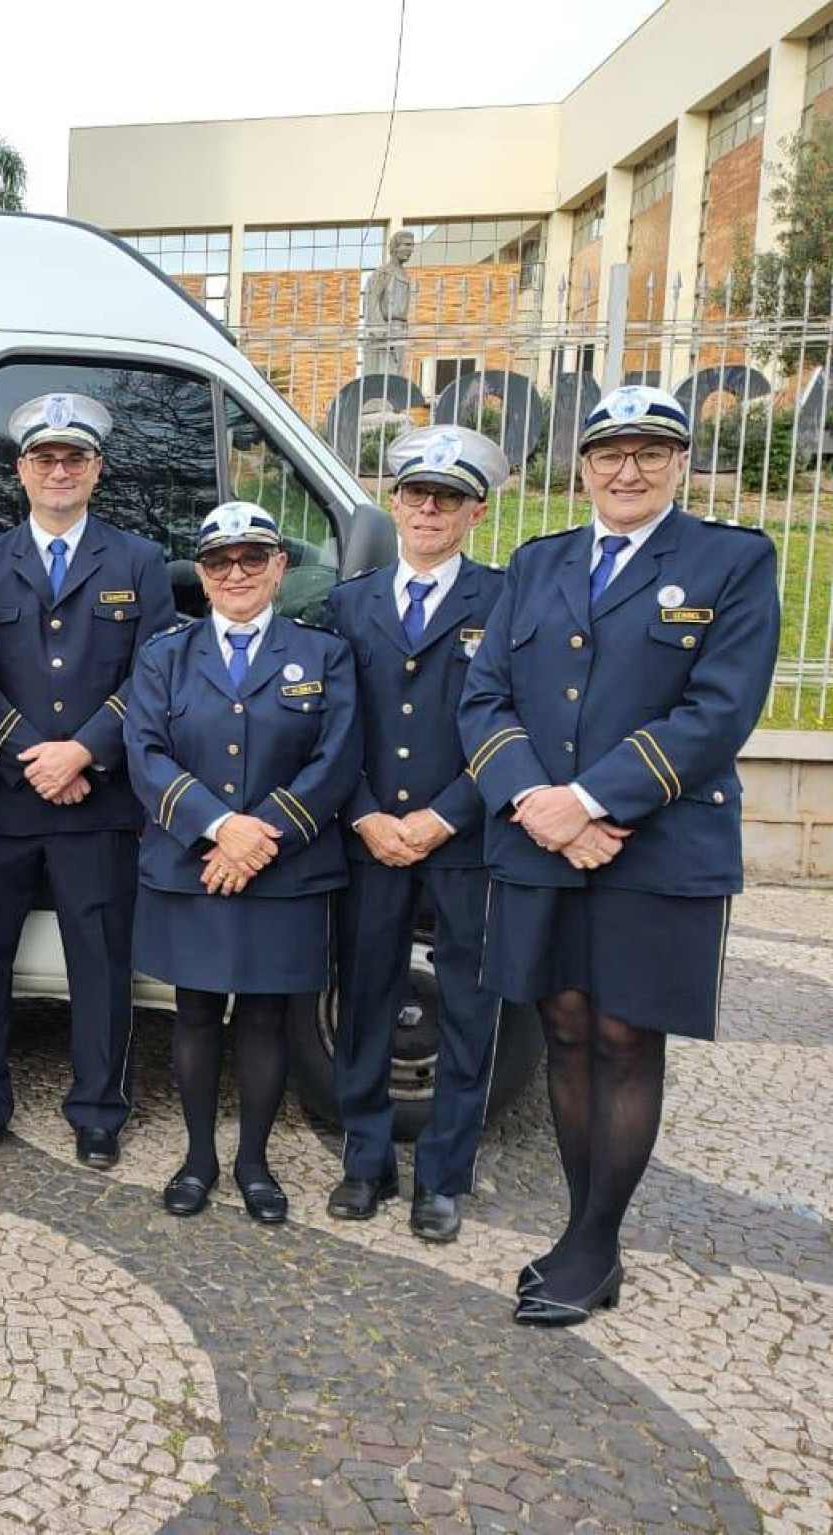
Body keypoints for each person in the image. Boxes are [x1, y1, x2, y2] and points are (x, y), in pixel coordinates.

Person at [459, 385, 779, 1326]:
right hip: (542, 835)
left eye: (649, 452)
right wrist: (535, 802)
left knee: (625, 1035)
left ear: (679, 462)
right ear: (584, 465)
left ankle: (596, 1240)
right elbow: (484, 698)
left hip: (658, 842)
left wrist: (590, 801)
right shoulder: (539, 560)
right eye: (609, 454)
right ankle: (576, 1223)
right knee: (561, 1026)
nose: (627, 471)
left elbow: (719, 711)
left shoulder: (730, 560)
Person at [0, 392, 177, 1170]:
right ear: (19, 472)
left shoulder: (139, 561)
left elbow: (152, 675)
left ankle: (97, 1109)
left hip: (97, 799)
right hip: (6, 799)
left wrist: (81, 751)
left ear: (96, 470)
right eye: (43, 458)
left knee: (100, 965)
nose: (58, 470)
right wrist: (31, 755)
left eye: (72, 458)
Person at [126, 502, 360, 1223]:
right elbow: (145, 751)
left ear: (279, 567)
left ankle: (253, 1160)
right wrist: (221, 829)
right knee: (194, 1013)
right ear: (199, 573)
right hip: (192, 862)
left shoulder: (323, 653)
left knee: (264, 1018)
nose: (236, 572)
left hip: (283, 868)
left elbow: (337, 754)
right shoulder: (164, 653)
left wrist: (262, 836)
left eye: (252, 558)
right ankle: (198, 1155)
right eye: (219, 560)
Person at [318, 425, 509, 1243]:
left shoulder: (502, 601)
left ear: (475, 511)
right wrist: (361, 810)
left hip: (459, 840)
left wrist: (445, 814)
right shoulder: (347, 601)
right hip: (369, 838)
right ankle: (365, 1160)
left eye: (448, 498)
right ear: (392, 502)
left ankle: (442, 1176)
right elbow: (328, 725)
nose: (428, 509)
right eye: (414, 494)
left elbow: (514, 721)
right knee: (364, 997)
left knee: (467, 1006)